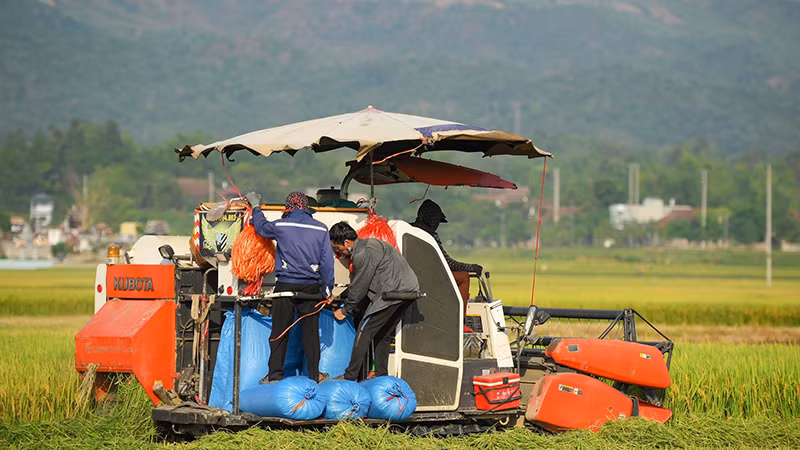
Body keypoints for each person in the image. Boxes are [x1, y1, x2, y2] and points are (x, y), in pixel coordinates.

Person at [246, 191, 335, 383]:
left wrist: (255, 206)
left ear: (288, 209)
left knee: (280, 332)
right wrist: (327, 289)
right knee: (311, 335)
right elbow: (327, 262)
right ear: (307, 209)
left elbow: (261, 228)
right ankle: (314, 375)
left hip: (285, 285)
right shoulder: (321, 229)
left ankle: (275, 375)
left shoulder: (281, 225)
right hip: (311, 288)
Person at [329, 222, 419, 381]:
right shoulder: (373, 245)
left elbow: (360, 286)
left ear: (347, 242)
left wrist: (345, 310)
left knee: (364, 331)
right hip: (408, 292)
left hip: (391, 294)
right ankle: (381, 374)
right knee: (383, 334)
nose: (340, 253)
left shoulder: (362, 254)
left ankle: (350, 376)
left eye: (338, 248)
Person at [410, 199, 482, 319]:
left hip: (411, 276)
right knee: (464, 277)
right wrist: (471, 267)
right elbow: (448, 263)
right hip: (426, 278)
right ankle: (460, 320)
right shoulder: (429, 236)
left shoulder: (409, 230)